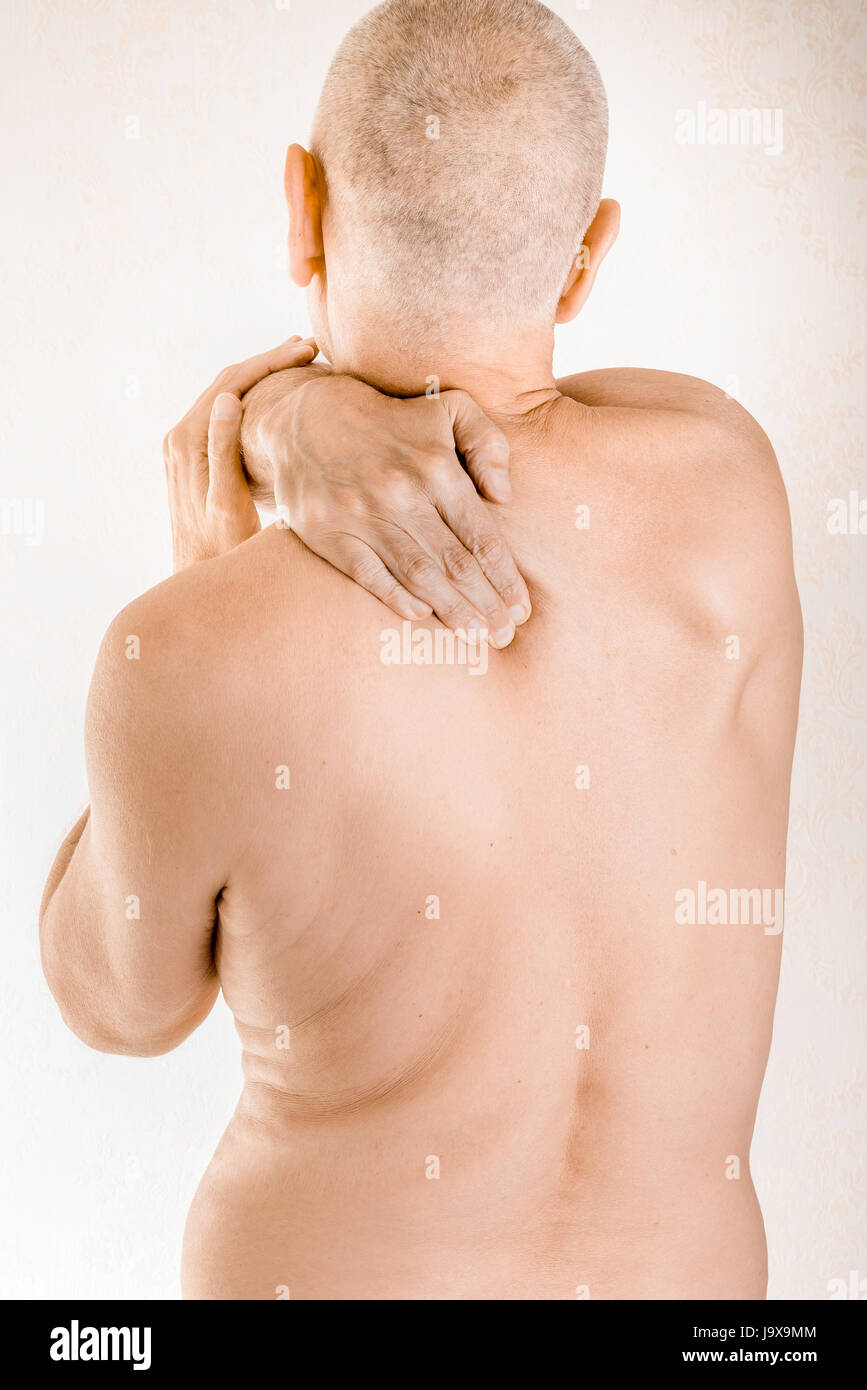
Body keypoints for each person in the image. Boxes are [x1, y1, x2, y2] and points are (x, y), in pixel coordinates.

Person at [40, 0, 802, 1299]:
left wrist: (257, 452)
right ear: (585, 255)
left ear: (300, 206)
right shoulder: (730, 485)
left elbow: (116, 1004)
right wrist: (307, 414)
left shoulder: (189, 651)